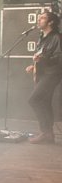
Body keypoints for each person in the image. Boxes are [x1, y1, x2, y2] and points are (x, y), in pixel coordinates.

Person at [25, 10, 61, 144]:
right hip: (44, 73)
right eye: (39, 18)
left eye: (42, 18)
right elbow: (42, 55)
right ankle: (48, 134)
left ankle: (45, 132)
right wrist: (34, 66)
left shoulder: (57, 37)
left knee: (34, 100)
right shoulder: (42, 37)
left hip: (52, 74)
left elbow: (58, 58)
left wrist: (43, 60)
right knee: (44, 102)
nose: (39, 20)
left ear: (50, 22)